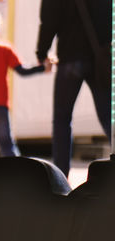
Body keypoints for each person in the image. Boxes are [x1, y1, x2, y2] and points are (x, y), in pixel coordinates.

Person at [36, 0, 112, 173]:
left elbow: (48, 22)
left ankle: (60, 179)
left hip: (70, 59)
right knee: (108, 117)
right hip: (100, 60)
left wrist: (42, 53)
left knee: (62, 120)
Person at [0, 8, 44, 158]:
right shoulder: (4, 49)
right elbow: (23, 70)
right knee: (8, 147)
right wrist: (43, 67)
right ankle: (18, 177)